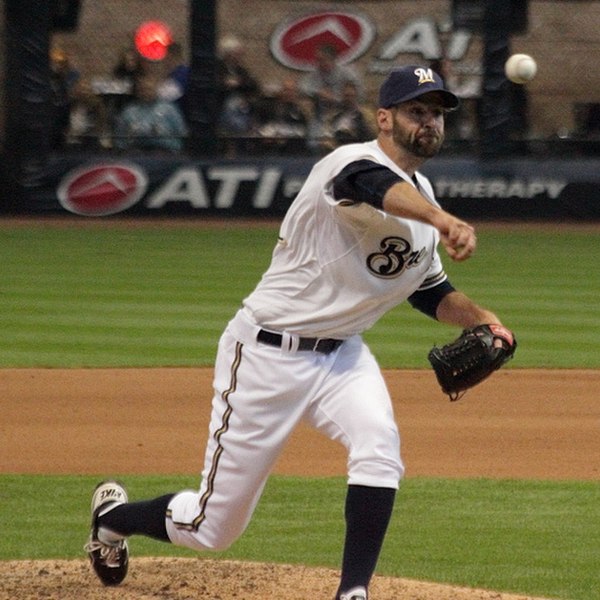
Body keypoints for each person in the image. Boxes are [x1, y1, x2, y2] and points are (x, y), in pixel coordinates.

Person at [84, 65, 515, 600]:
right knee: (213, 528)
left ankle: (352, 591)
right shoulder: (351, 163)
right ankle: (112, 519)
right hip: (265, 354)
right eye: (416, 111)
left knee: (379, 446)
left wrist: (486, 321)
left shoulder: (423, 196)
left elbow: (430, 291)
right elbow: (373, 188)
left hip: (342, 358)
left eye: (436, 114)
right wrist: (443, 220)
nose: (428, 122)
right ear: (384, 119)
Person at [112, 74, 188, 153]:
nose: (146, 92)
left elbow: (182, 134)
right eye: (143, 89)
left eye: (149, 89)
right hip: (135, 154)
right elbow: (119, 141)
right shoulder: (128, 112)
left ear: (156, 89)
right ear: (138, 91)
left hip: (166, 154)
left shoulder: (170, 110)